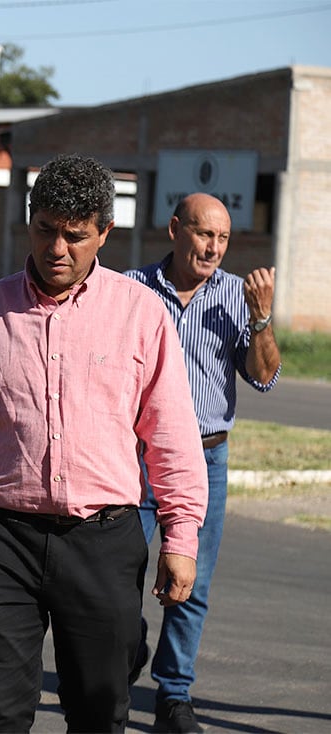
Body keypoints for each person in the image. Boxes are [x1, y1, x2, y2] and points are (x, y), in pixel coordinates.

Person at [0, 154, 209, 732]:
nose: (57, 248)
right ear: (29, 221)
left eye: (75, 235)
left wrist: (181, 536)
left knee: (98, 712)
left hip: (103, 543)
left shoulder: (140, 316)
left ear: (104, 234)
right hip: (0, 542)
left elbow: (171, 437)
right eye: (45, 230)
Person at [124, 192, 281, 733]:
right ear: (174, 229)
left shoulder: (238, 296)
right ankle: (123, 658)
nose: (213, 247)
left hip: (206, 457)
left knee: (193, 583)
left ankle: (174, 696)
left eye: (222, 239)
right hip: (136, 459)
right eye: (203, 233)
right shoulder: (132, 290)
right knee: (115, 575)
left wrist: (260, 320)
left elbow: (264, 377)